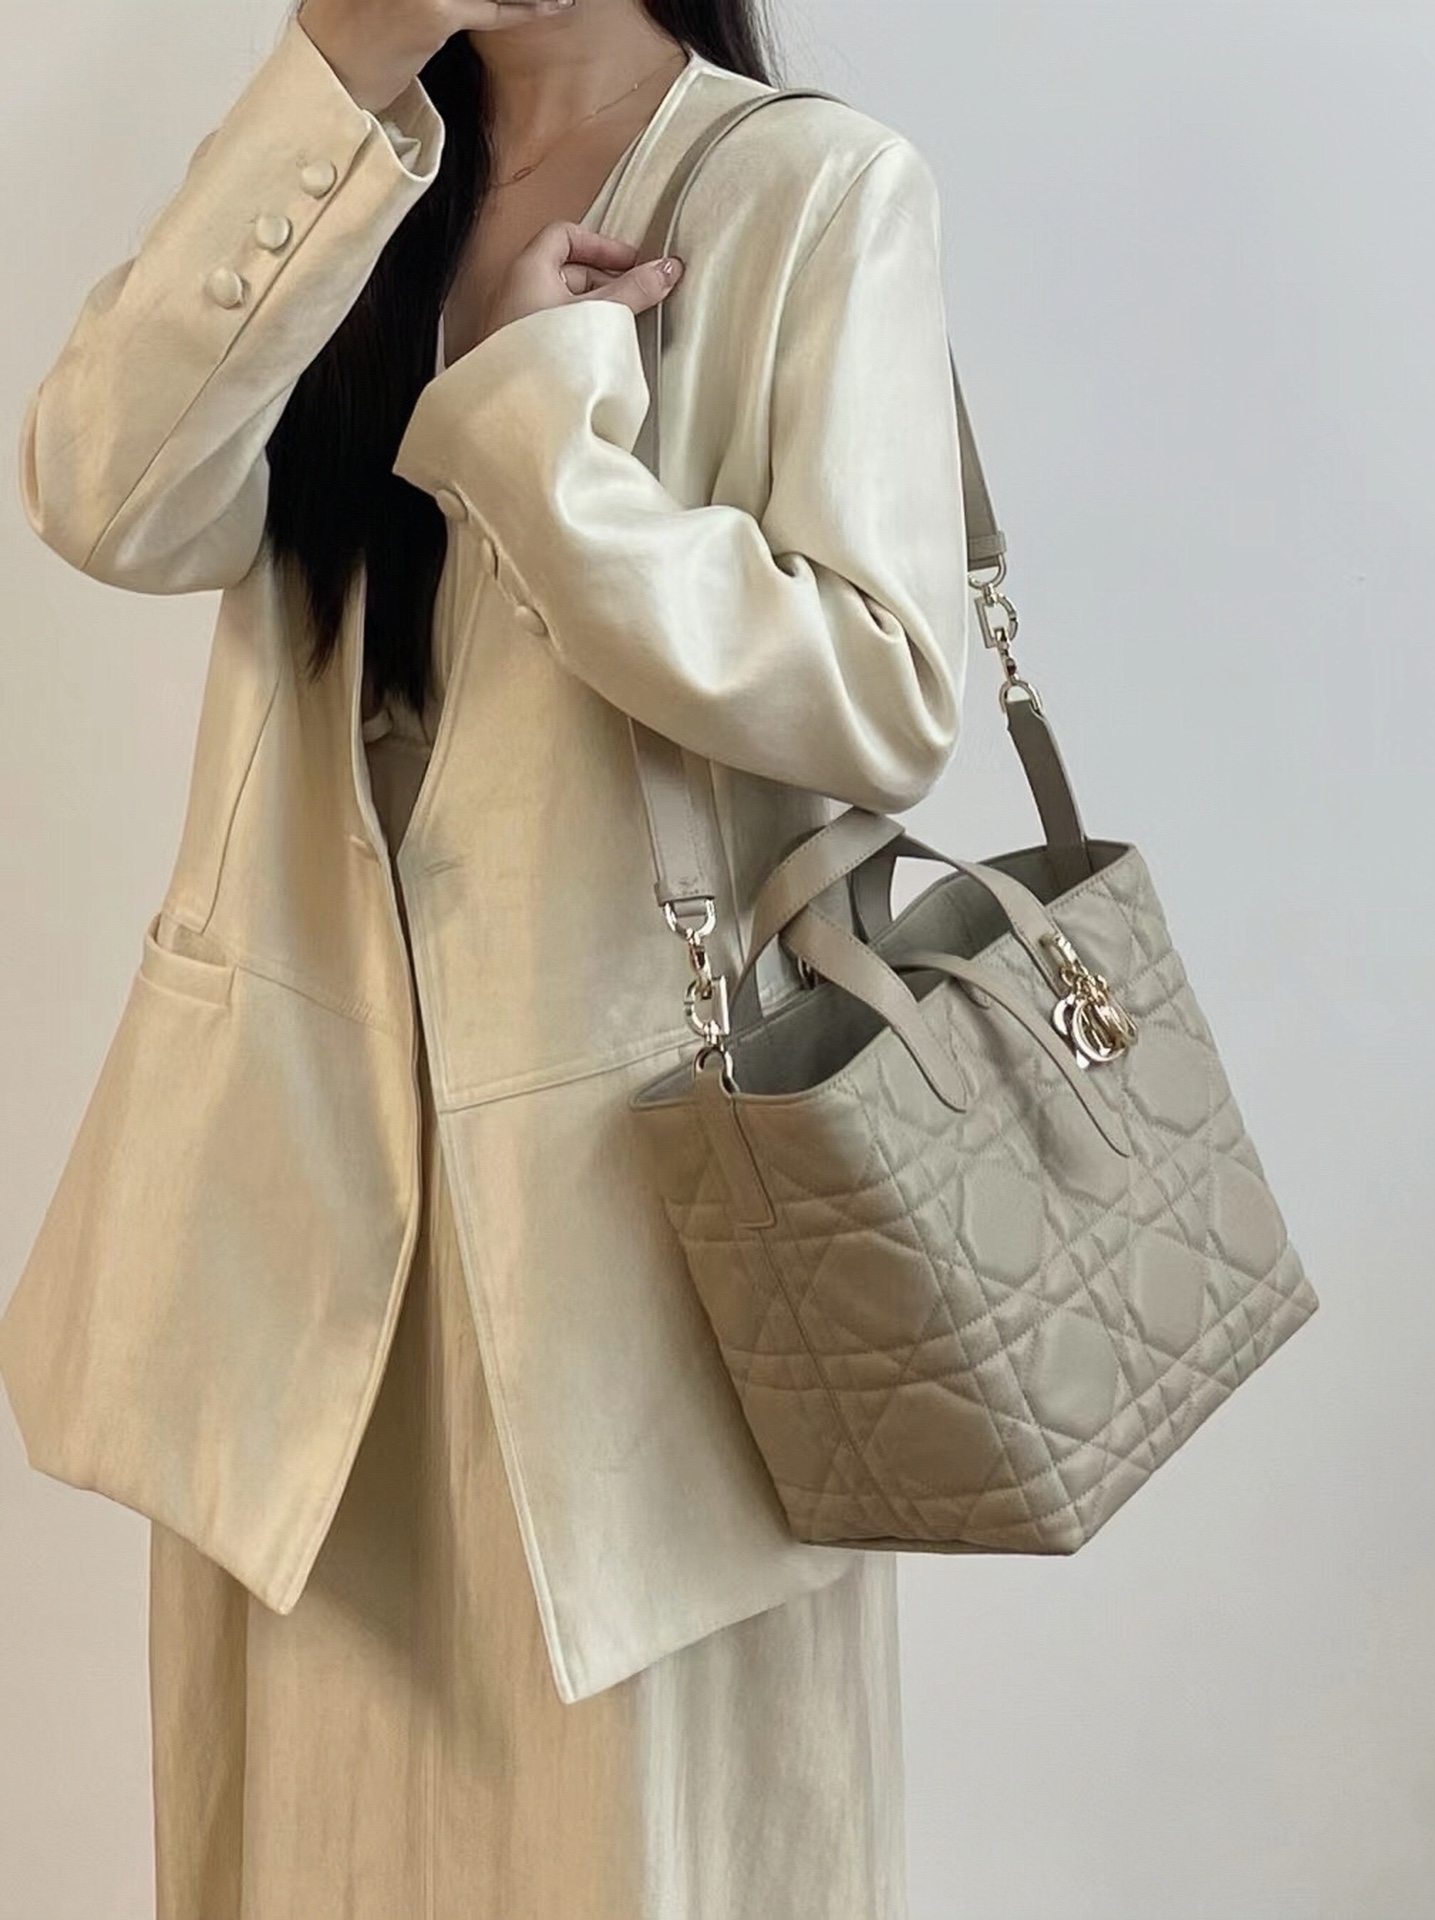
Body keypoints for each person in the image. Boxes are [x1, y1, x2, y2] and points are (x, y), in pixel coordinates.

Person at [2, 0, 971, 1912]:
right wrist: (339, 71)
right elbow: (107, 498)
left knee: (623, 1853)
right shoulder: (349, 164)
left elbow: (883, 689)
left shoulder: (813, 188)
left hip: (636, 1260)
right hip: (293, 1234)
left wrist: (537, 432)